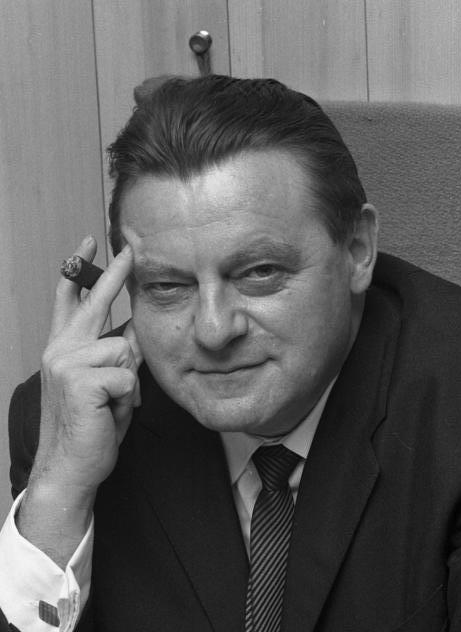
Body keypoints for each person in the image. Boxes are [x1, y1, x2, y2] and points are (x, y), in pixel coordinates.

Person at [1, 74, 461, 632]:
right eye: (167, 286)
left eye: (260, 272)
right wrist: (57, 494)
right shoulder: (70, 421)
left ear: (357, 250)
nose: (214, 331)